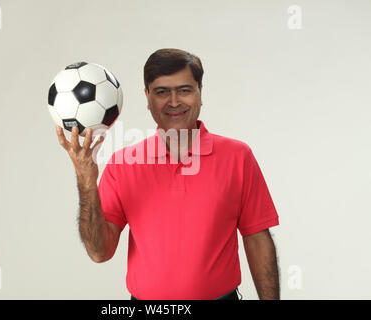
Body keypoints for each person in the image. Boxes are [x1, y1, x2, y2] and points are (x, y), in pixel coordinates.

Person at [55, 48, 280, 300]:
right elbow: (99, 252)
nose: (174, 102)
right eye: (162, 92)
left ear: (200, 93)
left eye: (184, 90)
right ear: (147, 97)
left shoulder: (238, 157)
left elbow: (257, 239)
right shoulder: (122, 165)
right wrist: (86, 181)